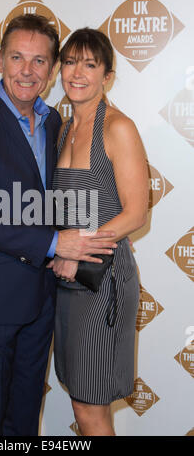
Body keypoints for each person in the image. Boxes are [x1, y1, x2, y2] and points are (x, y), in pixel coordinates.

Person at [0, 15, 118, 436]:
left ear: (52, 68)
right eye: (17, 57)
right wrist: (57, 243)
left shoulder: (56, 123)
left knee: (24, 416)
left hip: (42, 298)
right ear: (1, 60)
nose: (27, 70)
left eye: (39, 61)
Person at [50, 28, 149, 436]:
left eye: (90, 64)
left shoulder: (118, 128)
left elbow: (136, 213)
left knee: (89, 407)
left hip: (103, 278)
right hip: (67, 278)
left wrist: (75, 250)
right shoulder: (62, 128)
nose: (77, 72)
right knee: (82, 400)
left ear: (106, 76)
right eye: (71, 61)